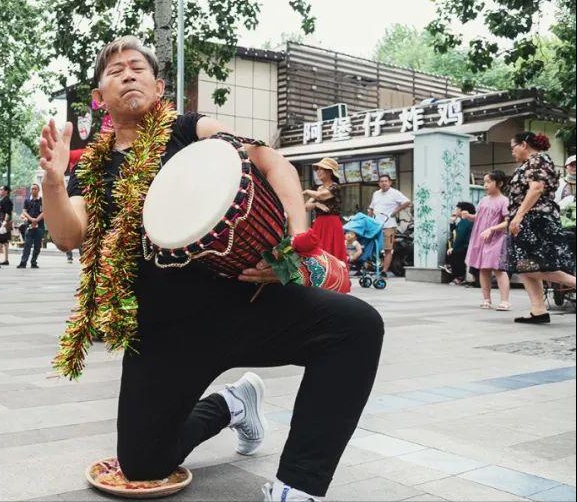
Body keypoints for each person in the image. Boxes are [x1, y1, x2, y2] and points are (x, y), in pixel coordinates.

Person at [39, 36, 383, 502]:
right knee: (144, 465)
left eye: (137, 67)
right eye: (115, 70)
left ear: (159, 86)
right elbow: (67, 234)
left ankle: (298, 488)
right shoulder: (93, 169)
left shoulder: (188, 129)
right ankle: (232, 403)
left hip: (244, 301)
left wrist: (294, 241)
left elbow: (268, 158)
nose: (127, 74)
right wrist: (54, 184)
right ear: (100, 97)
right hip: (162, 332)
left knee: (357, 326)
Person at [505, 132, 577, 324]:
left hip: (535, 220)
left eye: (513, 147)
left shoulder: (537, 160)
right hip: (530, 219)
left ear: (523, 145)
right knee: (526, 265)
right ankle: (538, 310)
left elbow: (536, 188)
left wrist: (518, 216)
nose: (512, 152)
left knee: (539, 266)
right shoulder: (532, 163)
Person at [465, 170, 511, 311]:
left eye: (489, 182)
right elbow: (478, 217)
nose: (485, 185)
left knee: (498, 269)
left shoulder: (504, 201)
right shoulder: (483, 200)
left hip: (496, 239)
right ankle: (486, 299)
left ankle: (505, 301)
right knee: (483, 269)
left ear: (500, 183)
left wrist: (492, 229)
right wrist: (468, 216)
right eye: (484, 182)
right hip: (481, 237)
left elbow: (508, 222)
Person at [303, 158, 348, 278]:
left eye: (321, 169)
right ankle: (320, 277)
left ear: (329, 172)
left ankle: (336, 278)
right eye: (317, 169)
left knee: (332, 251)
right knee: (318, 251)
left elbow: (321, 196)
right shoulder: (318, 189)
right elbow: (306, 207)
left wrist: (307, 191)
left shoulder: (335, 187)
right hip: (319, 223)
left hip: (332, 223)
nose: (318, 172)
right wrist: (316, 204)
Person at [368, 174, 410, 276]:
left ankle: (384, 271)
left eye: (386, 181)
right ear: (379, 183)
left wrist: (396, 211)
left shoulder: (394, 193)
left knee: (388, 249)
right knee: (373, 248)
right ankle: (375, 267)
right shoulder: (376, 194)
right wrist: (369, 214)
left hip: (389, 225)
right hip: (376, 226)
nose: (384, 183)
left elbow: (407, 202)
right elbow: (371, 208)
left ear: (390, 182)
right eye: (381, 181)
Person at [445, 201, 475, 285]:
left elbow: (460, 237)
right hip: (467, 245)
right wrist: (452, 222)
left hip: (466, 246)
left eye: (457, 209)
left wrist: (454, 248)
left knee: (455, 253)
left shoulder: (466, 221)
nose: (456, 211)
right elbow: (455, 233)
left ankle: (459, 277)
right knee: (451, 250)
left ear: (463, 211)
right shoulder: (464, 221)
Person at [18, 183, 45, 269]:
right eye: (32, 189)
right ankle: (23, 263)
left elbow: (44, 212)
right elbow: (24, 211)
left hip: (39, 226)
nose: (33, 190)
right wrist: (31, 219)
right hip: (29, 226)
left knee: (37, 246)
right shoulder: (27, 200)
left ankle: (34, 262)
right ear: (30, 190)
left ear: (38, 190)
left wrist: (36, 220)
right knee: (27, 245)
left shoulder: (42, 200)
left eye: (35, 189)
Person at [0, 184, 13, 266]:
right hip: (2, 221)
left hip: (3, 222)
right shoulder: (2, 199)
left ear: (6, 191)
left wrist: (5, 222)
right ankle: (6, 259)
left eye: (2, 189)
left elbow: (8, 212)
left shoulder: (7, 200)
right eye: (0, 189)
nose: (0, 191)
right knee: (5, 241)